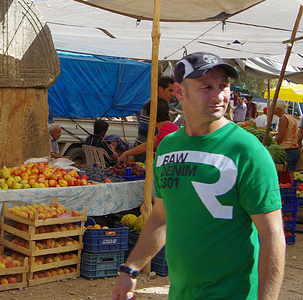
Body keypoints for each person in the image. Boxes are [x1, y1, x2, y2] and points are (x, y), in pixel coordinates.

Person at [113, 52, 285, 300]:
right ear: (180, 92)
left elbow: (272, 233)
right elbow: (161, 216)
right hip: (181, 293)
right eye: (207, 87)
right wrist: (131, 269)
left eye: (223, 86)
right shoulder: (168, 147)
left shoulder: (247, 151)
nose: (219, 95)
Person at [134, 76, 175, 147]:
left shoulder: (159, 103)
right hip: (146, 148)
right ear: (160, 89)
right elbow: (157, 131)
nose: (172, 94)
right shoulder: (153, 104)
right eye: (170, 90)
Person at [273, 98, 299, 179]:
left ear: (278, 109)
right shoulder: (290, 117)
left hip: (287, 150)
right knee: (290, 173)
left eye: (272, 107)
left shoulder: (283, 119)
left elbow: (280, 138)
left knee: (286, 176)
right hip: (295, 149)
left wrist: (270, 142)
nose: (271, 109)